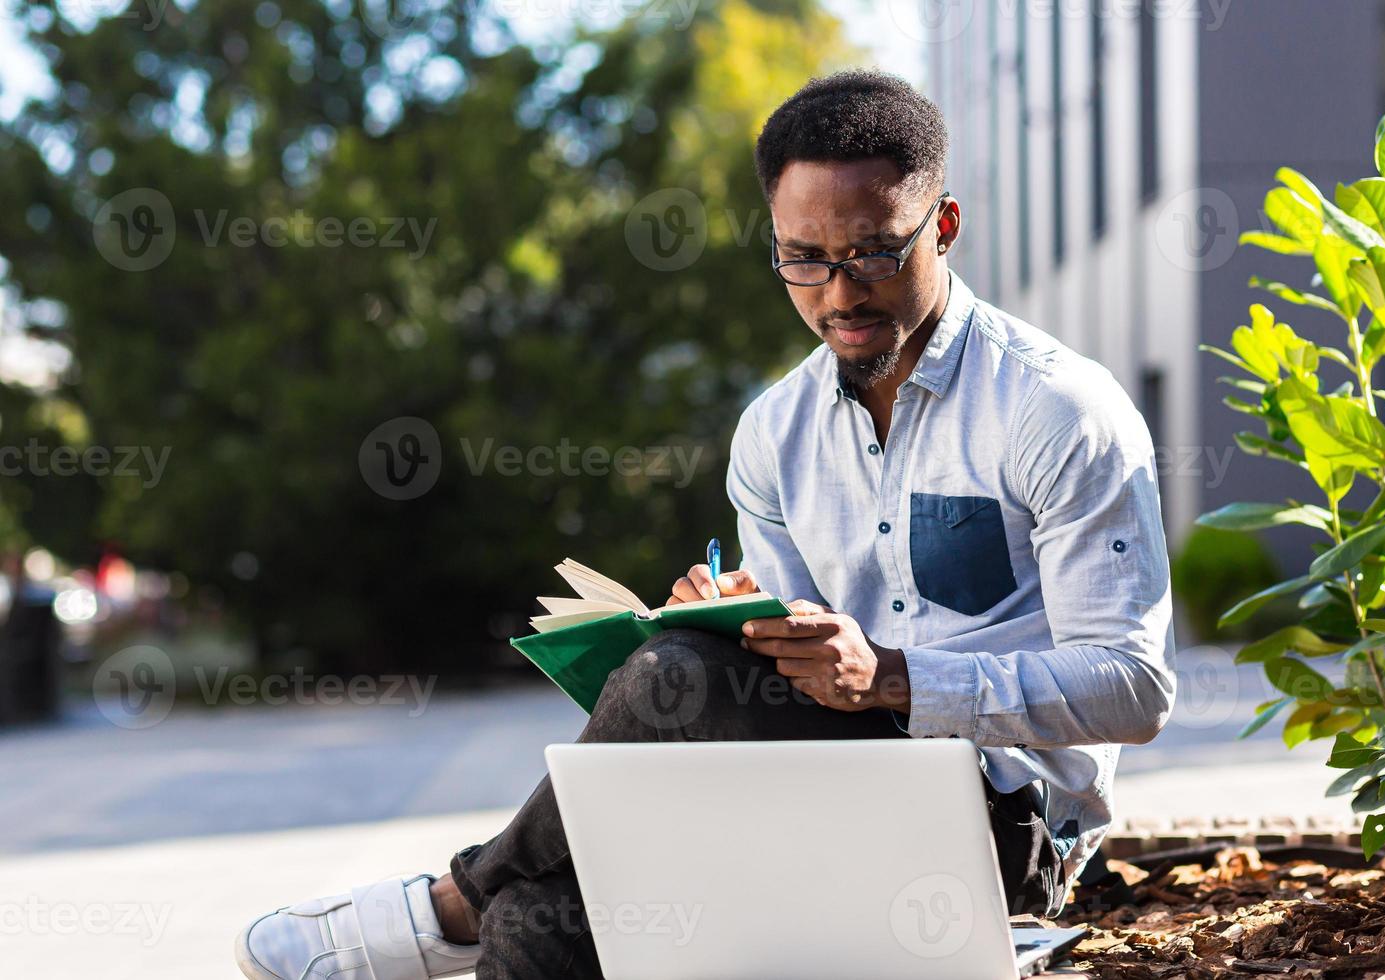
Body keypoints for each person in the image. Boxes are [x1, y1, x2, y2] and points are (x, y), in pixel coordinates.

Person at [235, 67, 1176, 980]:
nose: (839, 294)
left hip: (1000, 830)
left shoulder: (1058, 411)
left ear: (946, 226)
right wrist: (742, 621)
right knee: (545, 912)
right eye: (804, 259)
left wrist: (892, 676)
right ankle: (492, 903)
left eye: (874, 254)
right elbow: (791, 681)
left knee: (669, 681)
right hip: (828, 788)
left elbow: (1134, 687)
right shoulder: (774, 431)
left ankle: (456, 903)